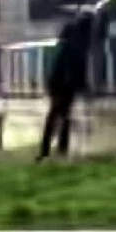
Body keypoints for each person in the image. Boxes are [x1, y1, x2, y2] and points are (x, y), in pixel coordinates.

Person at [37, 9, 96, 161]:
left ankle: (48, 150)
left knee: (57, 115)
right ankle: (57, 150)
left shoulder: (70, 35)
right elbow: (76, 64)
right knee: (62, 116)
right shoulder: (80, 40)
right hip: (64, 84)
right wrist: (82, 86)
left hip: (57, 81)